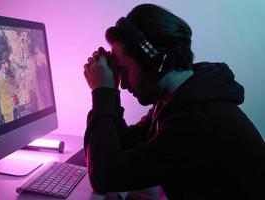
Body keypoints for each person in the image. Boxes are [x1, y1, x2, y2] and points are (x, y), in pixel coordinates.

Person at [83, 4, 265, 200]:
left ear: (157, 62)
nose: (124, 84)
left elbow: (105, 175)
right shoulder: (179, 99)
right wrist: (110, 92)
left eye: (124, 71)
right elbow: (126, 143)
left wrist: (102, 93)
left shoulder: (196, 121)